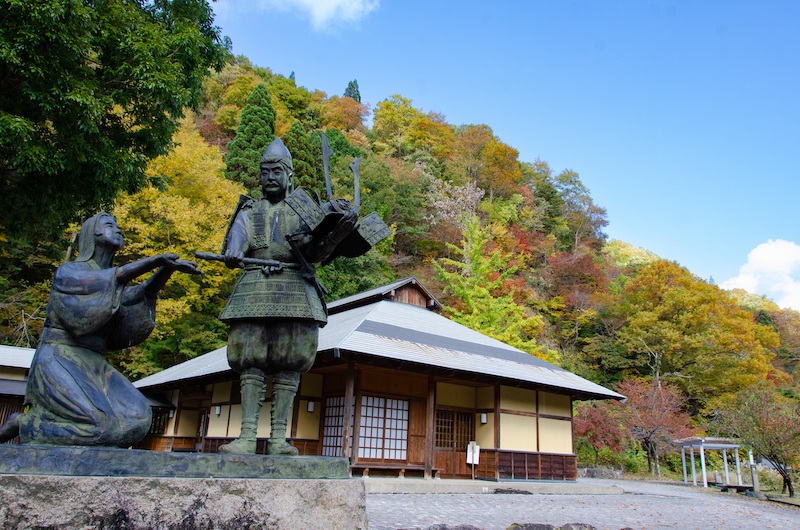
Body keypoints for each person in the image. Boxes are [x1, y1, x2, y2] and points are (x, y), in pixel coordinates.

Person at [0, 212, 201, 446]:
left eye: (118, 226)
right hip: (61, 357)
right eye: (109, 225)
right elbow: (109, 280)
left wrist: (166, 269)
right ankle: (26, 425)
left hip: (95, 363)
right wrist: (154, 260)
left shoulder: (113, 282)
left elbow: (138, 294)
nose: (118, 230)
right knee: (100, 426)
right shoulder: (70, 273)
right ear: (92, 236)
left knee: (137, 421)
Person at [217, 137, 356, 455]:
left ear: (290, 175)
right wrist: (234, 252)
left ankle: (279, 438)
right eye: (264, 171)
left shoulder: (304, 207)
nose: (269, 177)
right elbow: (236, 242)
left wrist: (337, 233)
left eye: (276, 171)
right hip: (254, 288)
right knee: (250, 360)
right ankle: (248, 436)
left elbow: (315, 251)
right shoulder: (250, 210)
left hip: (295, 288)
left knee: (290, 362)